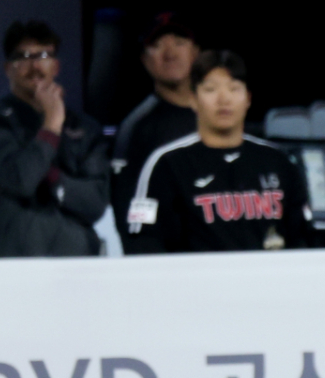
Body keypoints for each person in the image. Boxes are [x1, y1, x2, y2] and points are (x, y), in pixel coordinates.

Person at [125, 50, 312, 253]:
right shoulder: (167, 164)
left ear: (248, 98)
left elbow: (304, 239)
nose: (224, 99)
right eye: (211, 89)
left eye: (234, 88)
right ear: (193, 99)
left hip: (270, 273)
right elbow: (144, 242)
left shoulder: (278, 162)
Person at [0, 20, 108, 257]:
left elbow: (95, 205)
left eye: (43, 55)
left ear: (56, 66)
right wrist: (52, 124)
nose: (34, 66)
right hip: (18, 262)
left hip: (78, 263)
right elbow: (22, 180)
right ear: (8, 68)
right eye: (22, 57)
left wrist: (49, 177)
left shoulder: (84, 127)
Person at [111, 13, 201, 251]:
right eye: (158, 45)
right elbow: (130, 210)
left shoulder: (217, 114)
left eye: (179, 43)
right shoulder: (137, 127)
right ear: (144, 59)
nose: (170, 53)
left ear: (195, 53)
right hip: (171, 259)